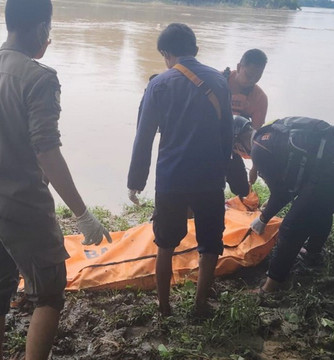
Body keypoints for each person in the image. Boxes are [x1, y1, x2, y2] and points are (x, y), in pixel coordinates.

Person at [0, 0, 111, 358]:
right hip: (21, 203)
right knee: (49, 293)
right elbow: (46, 150)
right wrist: (82, 214)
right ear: (42, 28)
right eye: (49, 28)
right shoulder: (39, 77)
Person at [127, 23, 232, 316]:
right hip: (210, 177)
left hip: (171, 177)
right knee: (210, 242)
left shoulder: (158, 84)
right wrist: (222, 171)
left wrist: (136, 180)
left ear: (165, 53)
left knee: (165, 242)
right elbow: (228, 135)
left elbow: (144, 135)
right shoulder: (220, 82)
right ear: (195, 50)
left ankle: (164, 307)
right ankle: (200, 307)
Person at [243, 117, 334, 293]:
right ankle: (313, 254)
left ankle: (271, 286)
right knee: (320, 209)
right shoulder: (268, 134)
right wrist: (272, 202)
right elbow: (286, 184)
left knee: (291, 226)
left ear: (238, 141)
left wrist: (263, 219)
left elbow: (283, 193)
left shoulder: (259, 149)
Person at [225, 49, 268, 184]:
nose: (252, 81)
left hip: (235, 144)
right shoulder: (219, 80)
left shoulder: (260, 98)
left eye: (257, 77)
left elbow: (256, 138)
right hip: (209, 140)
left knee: (241, 189)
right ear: (239, 67)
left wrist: (255, 168)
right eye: (249, 76)